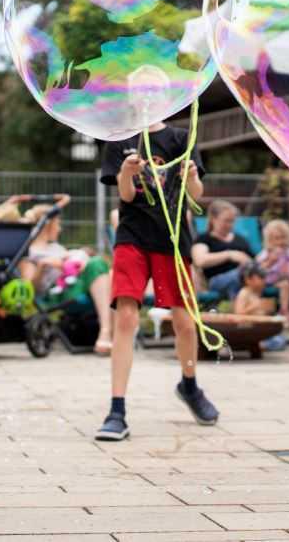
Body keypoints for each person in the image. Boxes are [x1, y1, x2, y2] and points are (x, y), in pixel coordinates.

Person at [95, 121, 218, 442]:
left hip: (173, 238)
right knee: (125, 316)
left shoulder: (181, 136)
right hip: (131, 235)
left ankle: (189, 386)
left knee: (186, 324)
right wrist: (125, 173)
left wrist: (191, 178)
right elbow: (125, 194)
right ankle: (116, 410)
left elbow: (195, 196)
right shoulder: (120, 136)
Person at [17, 201, 114, 355]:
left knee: (106, 269)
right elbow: (31, 287)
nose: (60, 229)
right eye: (58, 224)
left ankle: (113, 332)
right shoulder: (28, 253)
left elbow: (73, 267)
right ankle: (107, 332)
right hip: (57, 294)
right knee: (98, 265)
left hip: (77, 284)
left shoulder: (56, 248)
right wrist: (43, 265)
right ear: (47, 225)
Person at [190, 200, 254, 300]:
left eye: (232, 221)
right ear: (213, 219)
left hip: (246, 277)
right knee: (238, 276)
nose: (230, 225)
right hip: (217, 281)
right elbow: (200, 260)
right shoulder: (204, 239)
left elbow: (253, 261)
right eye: (226, 220)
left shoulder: (240, 239)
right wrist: (229, 255)